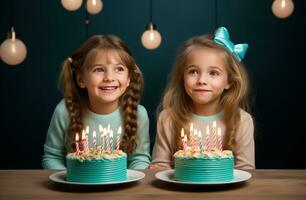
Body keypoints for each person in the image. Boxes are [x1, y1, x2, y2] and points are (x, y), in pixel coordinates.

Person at [150, 27, 255, 170]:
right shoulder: (168, 118)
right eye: (193, 71)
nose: (201, 80)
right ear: (182, 78)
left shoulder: (242, 121)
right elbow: (160, 166)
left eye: (213, 73)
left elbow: (246, 170)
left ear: (229, 81)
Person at [42, 35, 151, 169]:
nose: (109, 77)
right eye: (98, 69)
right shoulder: (65, 111)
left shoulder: (139, 114)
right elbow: (52, 158)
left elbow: (139, 159)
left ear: (129, 78)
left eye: (119, 69)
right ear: (81, 79)